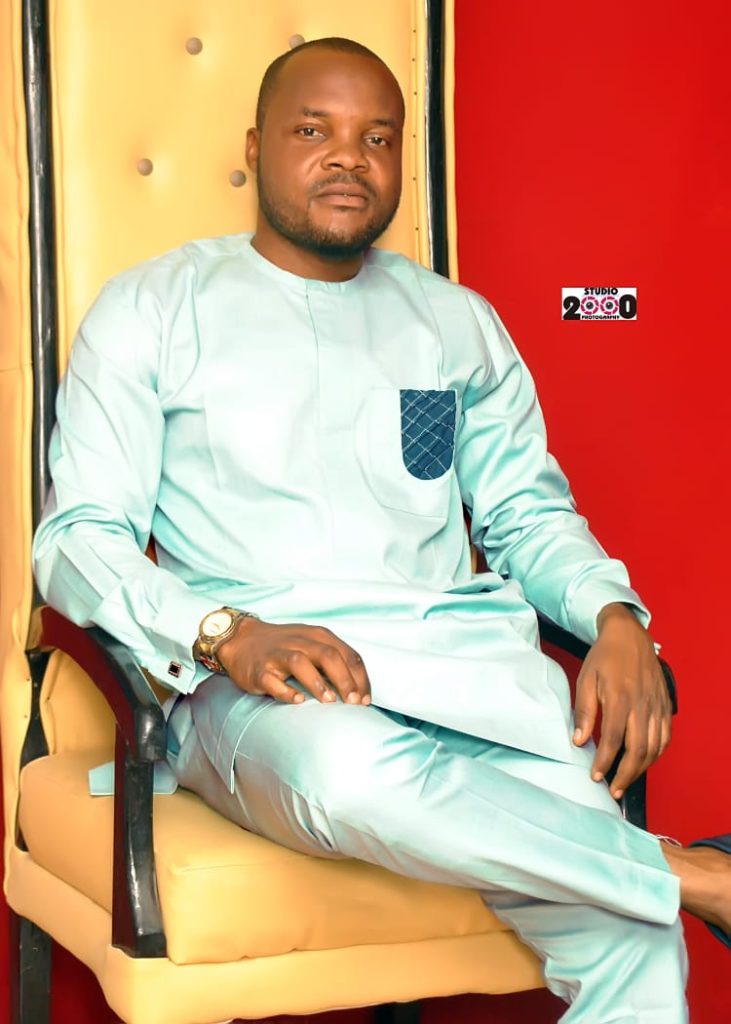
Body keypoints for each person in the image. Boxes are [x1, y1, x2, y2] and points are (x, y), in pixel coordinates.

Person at [32, 36, 730, 1023]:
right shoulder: (152, 308)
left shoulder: (456, 323)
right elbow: (75, 539)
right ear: (256, 147)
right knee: (346, 772)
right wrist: (225, 634)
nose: (347, 158)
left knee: (635, 939)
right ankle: (690, 875)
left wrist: (616, 617)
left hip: (474, 683)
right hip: (266, 689)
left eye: (376, 138)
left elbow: (526, 511)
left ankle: (657, 886)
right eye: (312, 131)